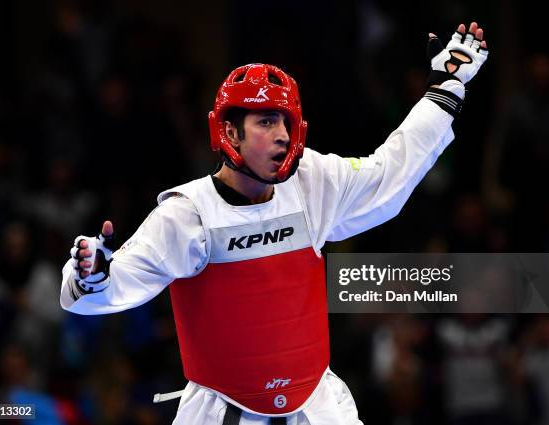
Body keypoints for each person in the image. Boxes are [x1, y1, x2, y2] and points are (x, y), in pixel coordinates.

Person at [60, 22, 489, 425]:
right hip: (221, 410)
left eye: (286, 121)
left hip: (317, 406)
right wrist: (91, 277)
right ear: (229, 134)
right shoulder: (188, 213)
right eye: (266, 121)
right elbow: (100, 292)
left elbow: (389, 173)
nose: (283, 134)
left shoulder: (311, 181)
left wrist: (445, 91)